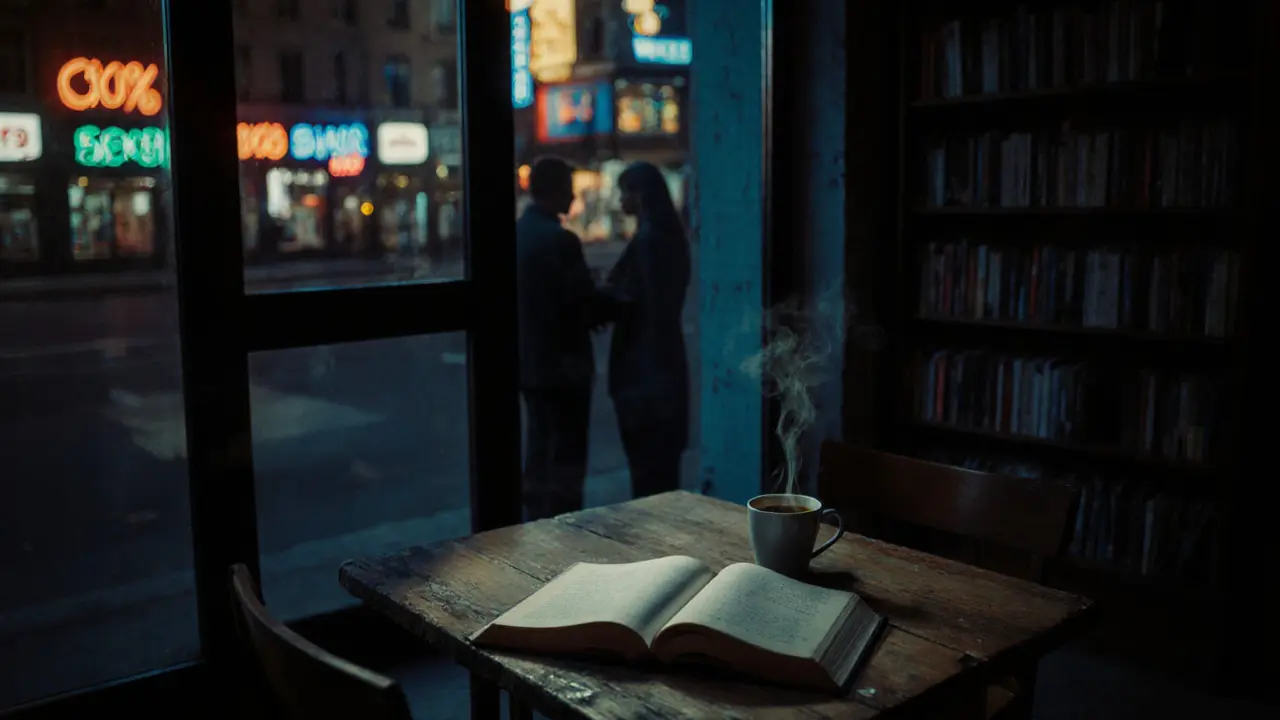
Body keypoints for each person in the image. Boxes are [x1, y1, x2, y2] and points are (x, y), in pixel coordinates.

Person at [516, 157, 609, 520]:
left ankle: (534, 522)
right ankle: (564, 525)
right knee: (566, 457)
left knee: (539, 447)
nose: (573, 196)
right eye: (569, 188)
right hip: (565, 367)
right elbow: (583, 303)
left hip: (531, 364)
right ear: (553, 190)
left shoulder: (519, 233)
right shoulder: (561, 240)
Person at [606, 162, 691, 499]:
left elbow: (637, 302)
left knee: (647, 478)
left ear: (639, 195)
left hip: (644, 375)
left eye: (623, 192)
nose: (620, 201)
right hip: (666, 368)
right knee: (663, 476)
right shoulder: (671, 239)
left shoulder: (647, 242)